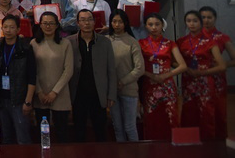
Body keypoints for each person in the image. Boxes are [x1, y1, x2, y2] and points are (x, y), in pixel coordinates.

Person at [68, 10, 116, 142]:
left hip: (98, 93)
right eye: (83, 20)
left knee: (100, 131)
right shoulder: (69, 42)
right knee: (79, 131)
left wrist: (111, 94)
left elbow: (111, 70)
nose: (87, 23)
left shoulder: (105, 42)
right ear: (78, 23)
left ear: (94, 22)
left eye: (89, 19)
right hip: (78, 93)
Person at [177, 10, 226, 140]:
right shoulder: (181, 41)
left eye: (195, 21)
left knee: (206, 112)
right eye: (188, 21)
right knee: (189, 112)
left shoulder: (210, 42)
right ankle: (189, 142)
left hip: (205, 81)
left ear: (200, 22)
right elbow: (173, 61)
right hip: (188, 81)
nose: (191, 24)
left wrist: (201, 72)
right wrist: (186, 68)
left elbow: (222, 66)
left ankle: (208, 145)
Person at [139, 13, 187, 140]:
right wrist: (151, 75)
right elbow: (137, 67)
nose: (154, 27)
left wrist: (166, 75)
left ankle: (173, 144)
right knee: (151, 116)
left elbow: (183, 66)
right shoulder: (140, 43)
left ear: (162, 25)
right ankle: (152, 146)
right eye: (150, 24)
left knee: (171, 115)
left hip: (167, 86)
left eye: (157, 24)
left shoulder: (170, 43)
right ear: (146, 26)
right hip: (149, 85)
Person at [0, 14, 36, 145]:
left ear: (18, 29)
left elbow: (32, 76)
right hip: (2, 100)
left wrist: (28, 101)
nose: (8, 30)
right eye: (5, 27)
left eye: (12, 27)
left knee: (23, 138)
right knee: (6, 139)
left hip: (19, 100)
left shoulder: (25, 48)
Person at [31, 11, 73, 143]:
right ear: (40, 25)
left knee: (62, 134)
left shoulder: (65, 43)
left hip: (60, 95)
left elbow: (68, 70)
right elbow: (31, 71)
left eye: (51, 23)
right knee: (42, 136)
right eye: (45, 23)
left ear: (57, 25)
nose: (48, 26)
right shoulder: (34, 43)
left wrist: (54, 92)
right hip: (41, 96)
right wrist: (39, 92)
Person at [107, 9, 144, 142]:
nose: (117, 25)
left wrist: (122, 81)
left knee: (129, 127)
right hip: (112, 91)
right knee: (118, 127)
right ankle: (121, 152)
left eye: (120, 22)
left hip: (129, 90)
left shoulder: (132, 42)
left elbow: (140, 68)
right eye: (114, 21)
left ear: (126, 23)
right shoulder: (106, 41)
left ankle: (135, 151)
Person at [199, 5, 235, 139]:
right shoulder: (194, 37)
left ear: (215, 18)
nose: (206, 20)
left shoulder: (222, 37)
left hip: (217, 79)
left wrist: (221, 64)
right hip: (198, 79)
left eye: (209, 17)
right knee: (200, 112)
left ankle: (219, 144)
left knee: (219, 112)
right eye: (203, 17)